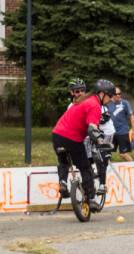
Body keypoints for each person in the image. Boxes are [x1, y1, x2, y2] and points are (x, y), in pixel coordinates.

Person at [52, 79, 115, 211]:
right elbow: (92, 129)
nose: (111, 99)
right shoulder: (95, 105)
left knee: (63, 160)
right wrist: (101, 143)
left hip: (57, 135)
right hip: (72, 138)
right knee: (85, 168)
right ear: (102, 94)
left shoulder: (83, 100)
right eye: (110, 95)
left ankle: (63, 182)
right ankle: (91, 199)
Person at [108, 86, 134, 162]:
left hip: (123, 132)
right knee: (107, 153)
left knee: (123, 154)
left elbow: (131, 116)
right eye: (116, 94)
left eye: (120, 94)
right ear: (112, 95)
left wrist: (133, 130)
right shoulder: (107, 104)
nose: (118, 95)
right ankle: (107, 171)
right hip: (111, 132)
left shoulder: (125, 103)